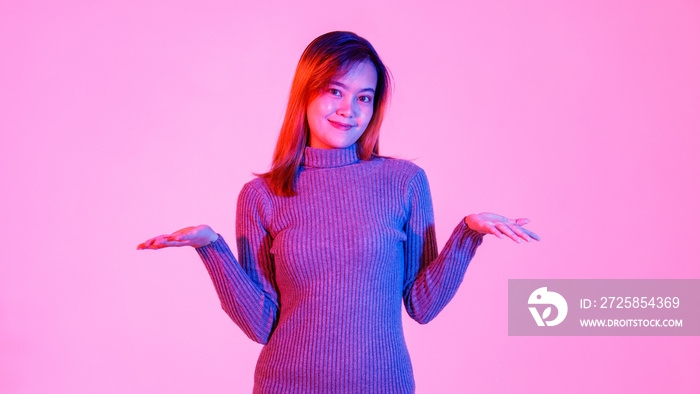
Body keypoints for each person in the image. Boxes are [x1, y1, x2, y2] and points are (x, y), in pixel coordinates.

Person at [137, 31, 539, 393]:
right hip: (286, 385)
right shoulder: (262, 195)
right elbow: (261, 324)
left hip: (384, 384)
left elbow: (422, 305)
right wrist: (211, 248)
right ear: (307, 93)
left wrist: (468, 234)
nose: (350, 109)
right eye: (335, 91)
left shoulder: (404, 182)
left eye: (364, 97)